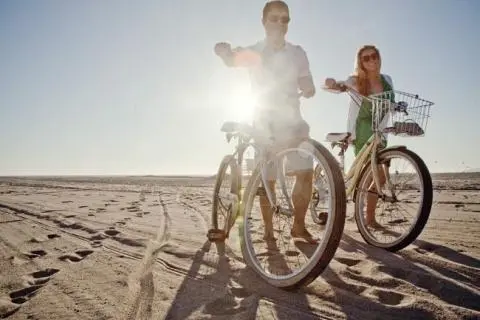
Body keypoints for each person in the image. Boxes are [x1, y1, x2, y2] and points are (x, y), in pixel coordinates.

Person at [214, 0, 318, 243]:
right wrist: (223, 52)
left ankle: (299, 226)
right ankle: (269, 230)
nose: (280, 24)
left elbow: (306, 80)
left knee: (305, 172)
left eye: (285, 19)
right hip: (265, 121)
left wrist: (309, 87)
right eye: (275, 18)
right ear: (264, 22)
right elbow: (232, 60)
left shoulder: (297, 53)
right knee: (268, 178)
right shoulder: (255, 51)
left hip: (293, 121)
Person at [324, 45, 393, 228]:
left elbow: (391, 103)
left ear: (379, 57)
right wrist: (332, 83)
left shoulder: (387, 79)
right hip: (363, 128)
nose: (371, 60)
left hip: (381, 129)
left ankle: (367, 216)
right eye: (366, 58)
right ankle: (368, 219)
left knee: (381, 176)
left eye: (374, 56)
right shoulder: (355, 80)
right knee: (371, 173)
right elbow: (339, 86)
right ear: (360, 62)